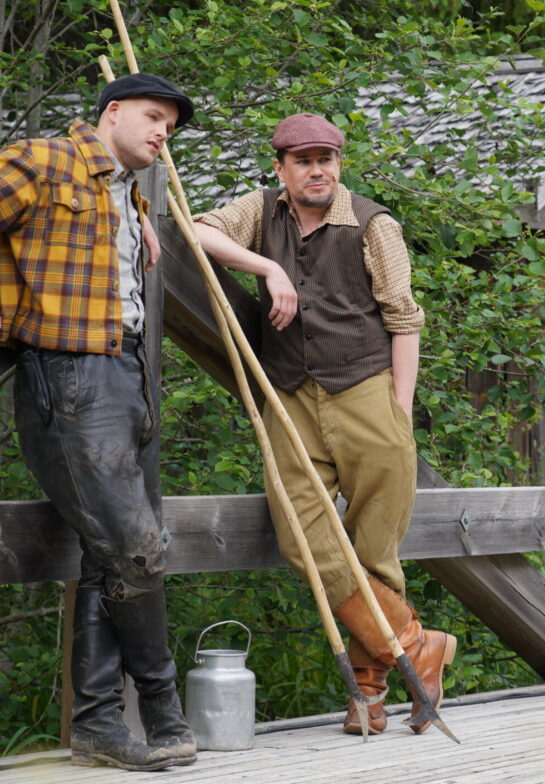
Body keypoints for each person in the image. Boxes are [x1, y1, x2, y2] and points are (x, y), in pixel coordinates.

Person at [0, 73, 197, 771]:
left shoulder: (124, 192)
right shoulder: (51, 162)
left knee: (112, 551)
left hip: (127, 375)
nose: (163, 132)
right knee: (137, 549)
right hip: (70, 377)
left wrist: (135, 221)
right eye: (152, 117)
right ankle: (163, 713)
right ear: (111, 113)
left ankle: (102, 722)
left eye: (171, 124)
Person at [192, 113, 455, 736]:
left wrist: (400, 410)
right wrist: (267, 269)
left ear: (339, 163)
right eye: (304, 160)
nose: (318, 170)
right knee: (305, 540)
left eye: (327, 159)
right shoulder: (261, 212)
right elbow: (197, 229)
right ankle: (417, 645)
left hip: (368, 391)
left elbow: (404, 318)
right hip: (291, 397)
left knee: (375, 548)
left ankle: (369, 693)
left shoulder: (374, 224)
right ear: (281, 167)